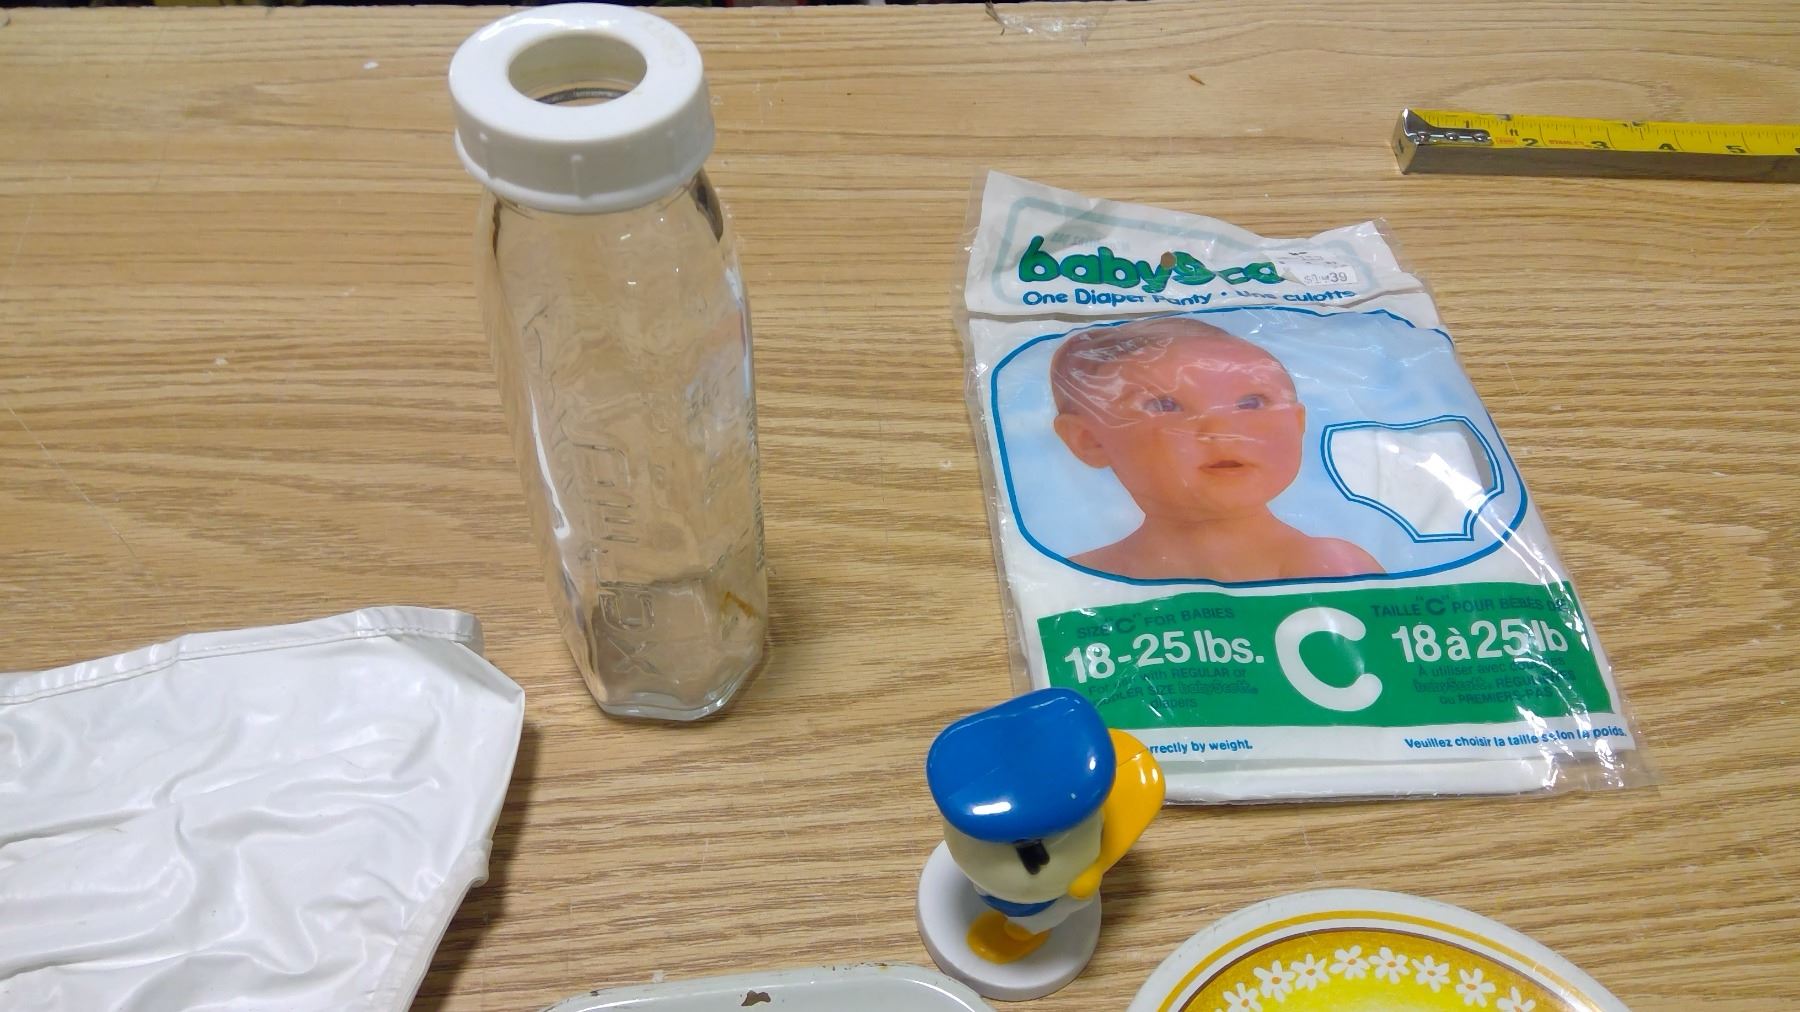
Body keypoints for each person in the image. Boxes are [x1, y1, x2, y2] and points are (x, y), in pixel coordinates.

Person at [1049, 316, 1381, 582]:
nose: (1222, 430)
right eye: (1165, 405)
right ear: (1088, 440)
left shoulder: (1329, 566)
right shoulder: (1082, 576)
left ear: (1297, 423)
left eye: (1251, 403)